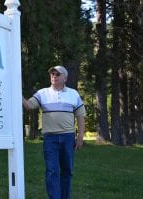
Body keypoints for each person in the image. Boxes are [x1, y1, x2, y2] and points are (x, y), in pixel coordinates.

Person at [22, 65, 86, 199]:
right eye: (52, 74)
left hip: (68, 138)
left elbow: (80, 115)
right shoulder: (42, 93)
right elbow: (28, 105)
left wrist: (80, 136)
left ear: (65, 78)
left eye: (57, 74)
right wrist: (17, 91)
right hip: (50, 139)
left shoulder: (73, 93)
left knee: (67, 171)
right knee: (52, 171)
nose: (54, 76)